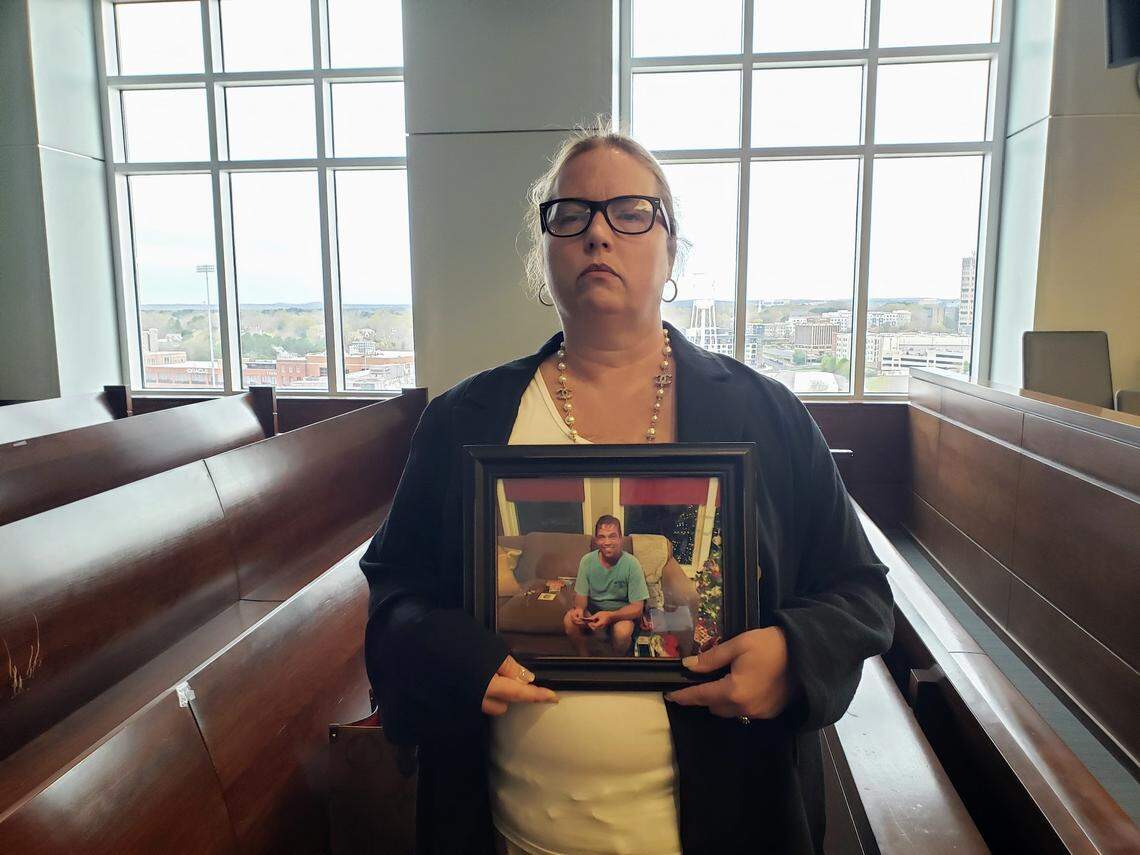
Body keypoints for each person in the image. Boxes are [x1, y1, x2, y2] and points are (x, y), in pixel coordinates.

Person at [360, 119, 894, 855]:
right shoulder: (463, 421)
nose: (597, 234)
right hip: (512, 832)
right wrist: (444, 653)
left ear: (670, 247)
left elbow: (859, 591)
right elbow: (397, 588)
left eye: (631, 212)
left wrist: (793, 657)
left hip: (728, 824)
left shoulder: (766, 415)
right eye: (570, 214)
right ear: (543, 251)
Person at [564, 515, 649, 656]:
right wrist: (579, 609)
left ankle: (614, 664)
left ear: (621, 538)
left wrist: (610, 616)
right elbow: (581, 596)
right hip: (592, 613)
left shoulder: (632, 564)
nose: (607, 542)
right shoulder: (586, 561)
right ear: (596, 540)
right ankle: (585, 659)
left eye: (612, 536)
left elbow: (637, 608)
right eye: (602, 537)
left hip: (620, 614)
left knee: (623, 631)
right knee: (569, 619)